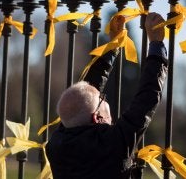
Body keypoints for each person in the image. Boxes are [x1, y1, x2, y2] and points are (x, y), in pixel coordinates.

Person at [46, 12, 168, 179]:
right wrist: (156, 44)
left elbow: (85, 96)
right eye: (102, 99)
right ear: (97, 118)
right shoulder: (112, 144)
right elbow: (146, 98)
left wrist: (113, 46)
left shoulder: (55, 145)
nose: (104, 97)